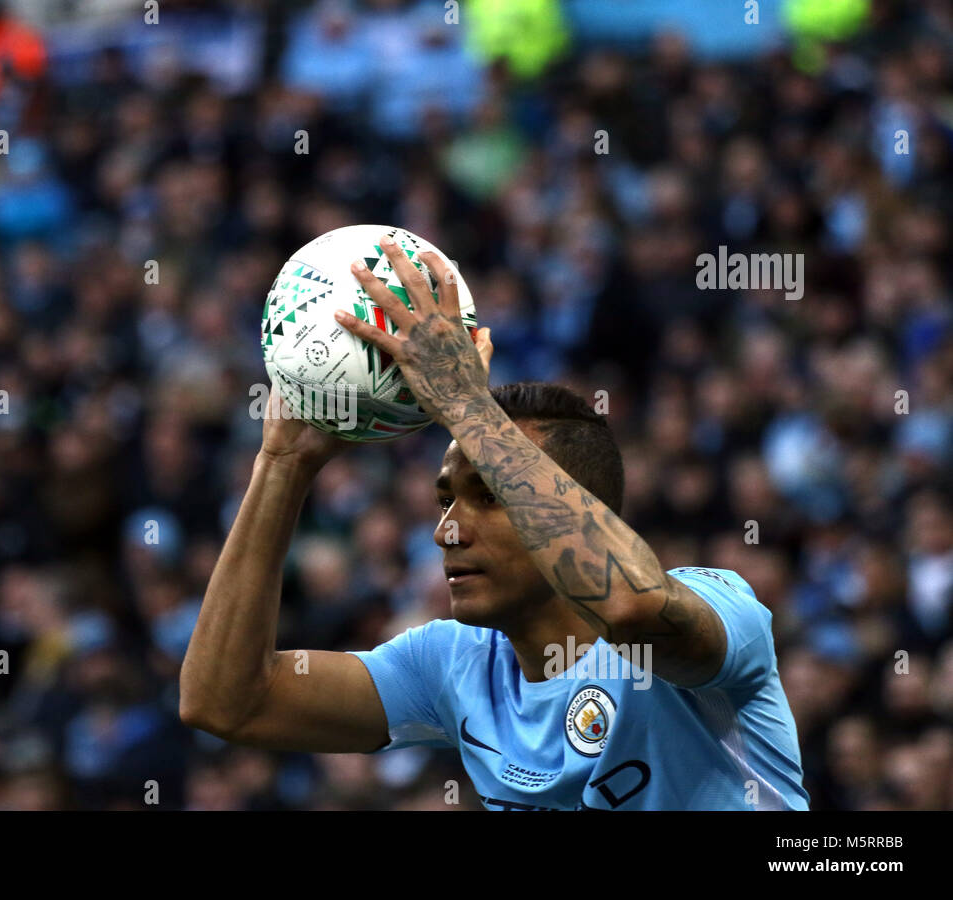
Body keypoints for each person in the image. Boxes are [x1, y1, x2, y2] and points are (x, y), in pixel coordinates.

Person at [180, 235, 810, 810]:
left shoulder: (723, 609)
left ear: (578, 504)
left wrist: (462, 401)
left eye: (489, 494)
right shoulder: (454, 667)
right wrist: (282, 464)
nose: (447, 530)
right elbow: (226, 700)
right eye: (445, 499)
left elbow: (631, 607)